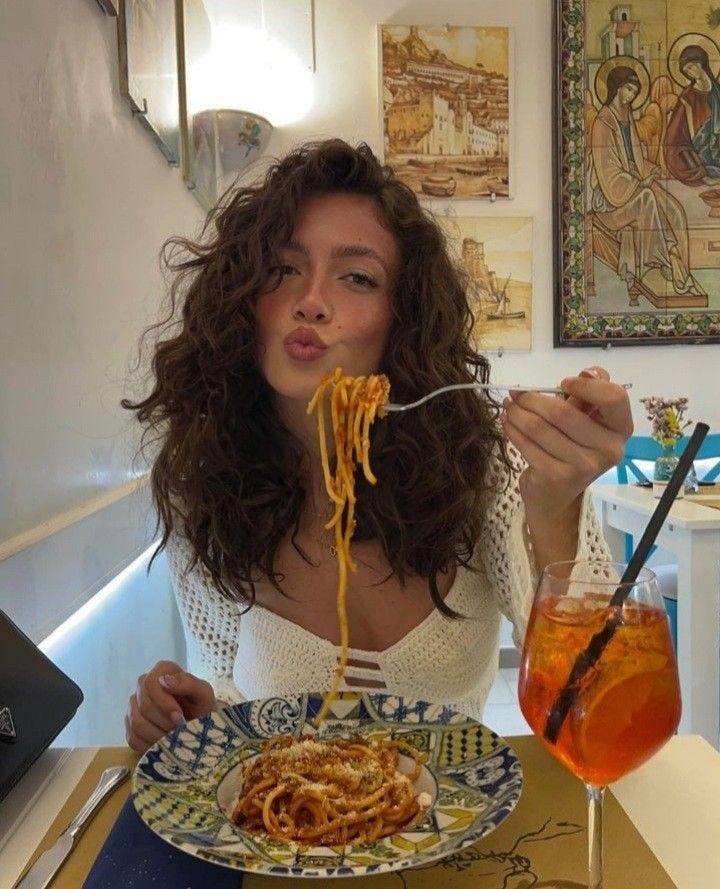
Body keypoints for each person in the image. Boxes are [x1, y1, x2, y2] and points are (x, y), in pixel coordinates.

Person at [123, 139, 632, 753]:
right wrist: (200, 708)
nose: (310, 300)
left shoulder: (487, 469)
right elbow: (230, 685)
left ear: (401, 318)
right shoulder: (201, 484)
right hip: (286, 827)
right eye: (283, 269)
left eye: (357, 278)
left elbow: (597, 711)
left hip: (455, 818)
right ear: (243, 298)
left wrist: (556, 510)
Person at [589, 64, 697, 297]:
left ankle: (678, 261)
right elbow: (608, 172)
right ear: (616, 88)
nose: (631, 96)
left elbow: (633, 159)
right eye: (628, 89)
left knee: (673, 208)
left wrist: (650, 171)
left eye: (635, 92)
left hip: (634, 184)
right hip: (610, 200)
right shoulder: (603, 123)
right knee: (648, 197)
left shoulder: (627, 117)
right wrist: (639, 183)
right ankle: (660, 263)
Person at [666, 44, 720, 186]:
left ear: (700, 62)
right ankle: (702, 174)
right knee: (678, 153)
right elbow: (674, 137)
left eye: (690, 67)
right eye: (686, 71)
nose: (690, 72)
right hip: (696, 150)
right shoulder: (687, 97)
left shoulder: (718, 92)